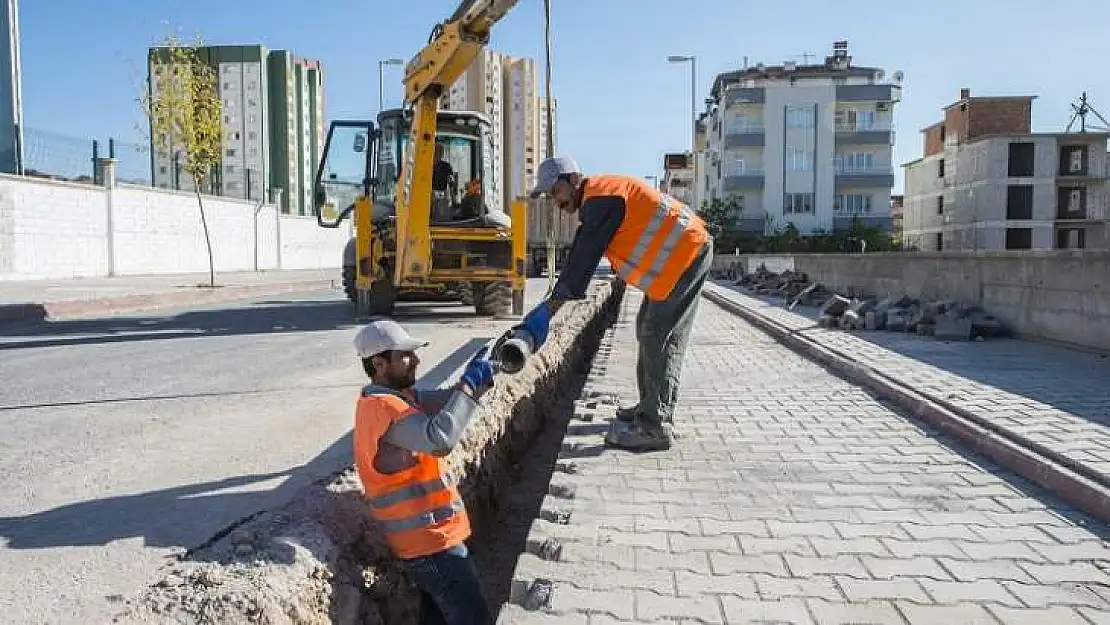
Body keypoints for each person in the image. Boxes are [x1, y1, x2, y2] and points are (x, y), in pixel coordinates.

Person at [518, 157, 714, 452]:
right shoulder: (599, 199)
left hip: (687, 254)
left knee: (658, 335)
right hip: (676, 262)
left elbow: (581, 262)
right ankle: (650, 406)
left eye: (555, 192)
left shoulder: (601, 199)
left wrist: (547, 312)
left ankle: (655, 426)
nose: (555, 201)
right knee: (646, 329)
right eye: (549, 196)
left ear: (573, 180)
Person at [352, 317, 496, 625]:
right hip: (430, 545)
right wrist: (468, 388)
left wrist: (481, 376)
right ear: (378, 364)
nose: (415, 360)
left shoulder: (402, 398)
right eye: (405, 356)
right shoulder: (383, 408)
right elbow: (440, 439)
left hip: (433, 542)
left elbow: (449, 401)